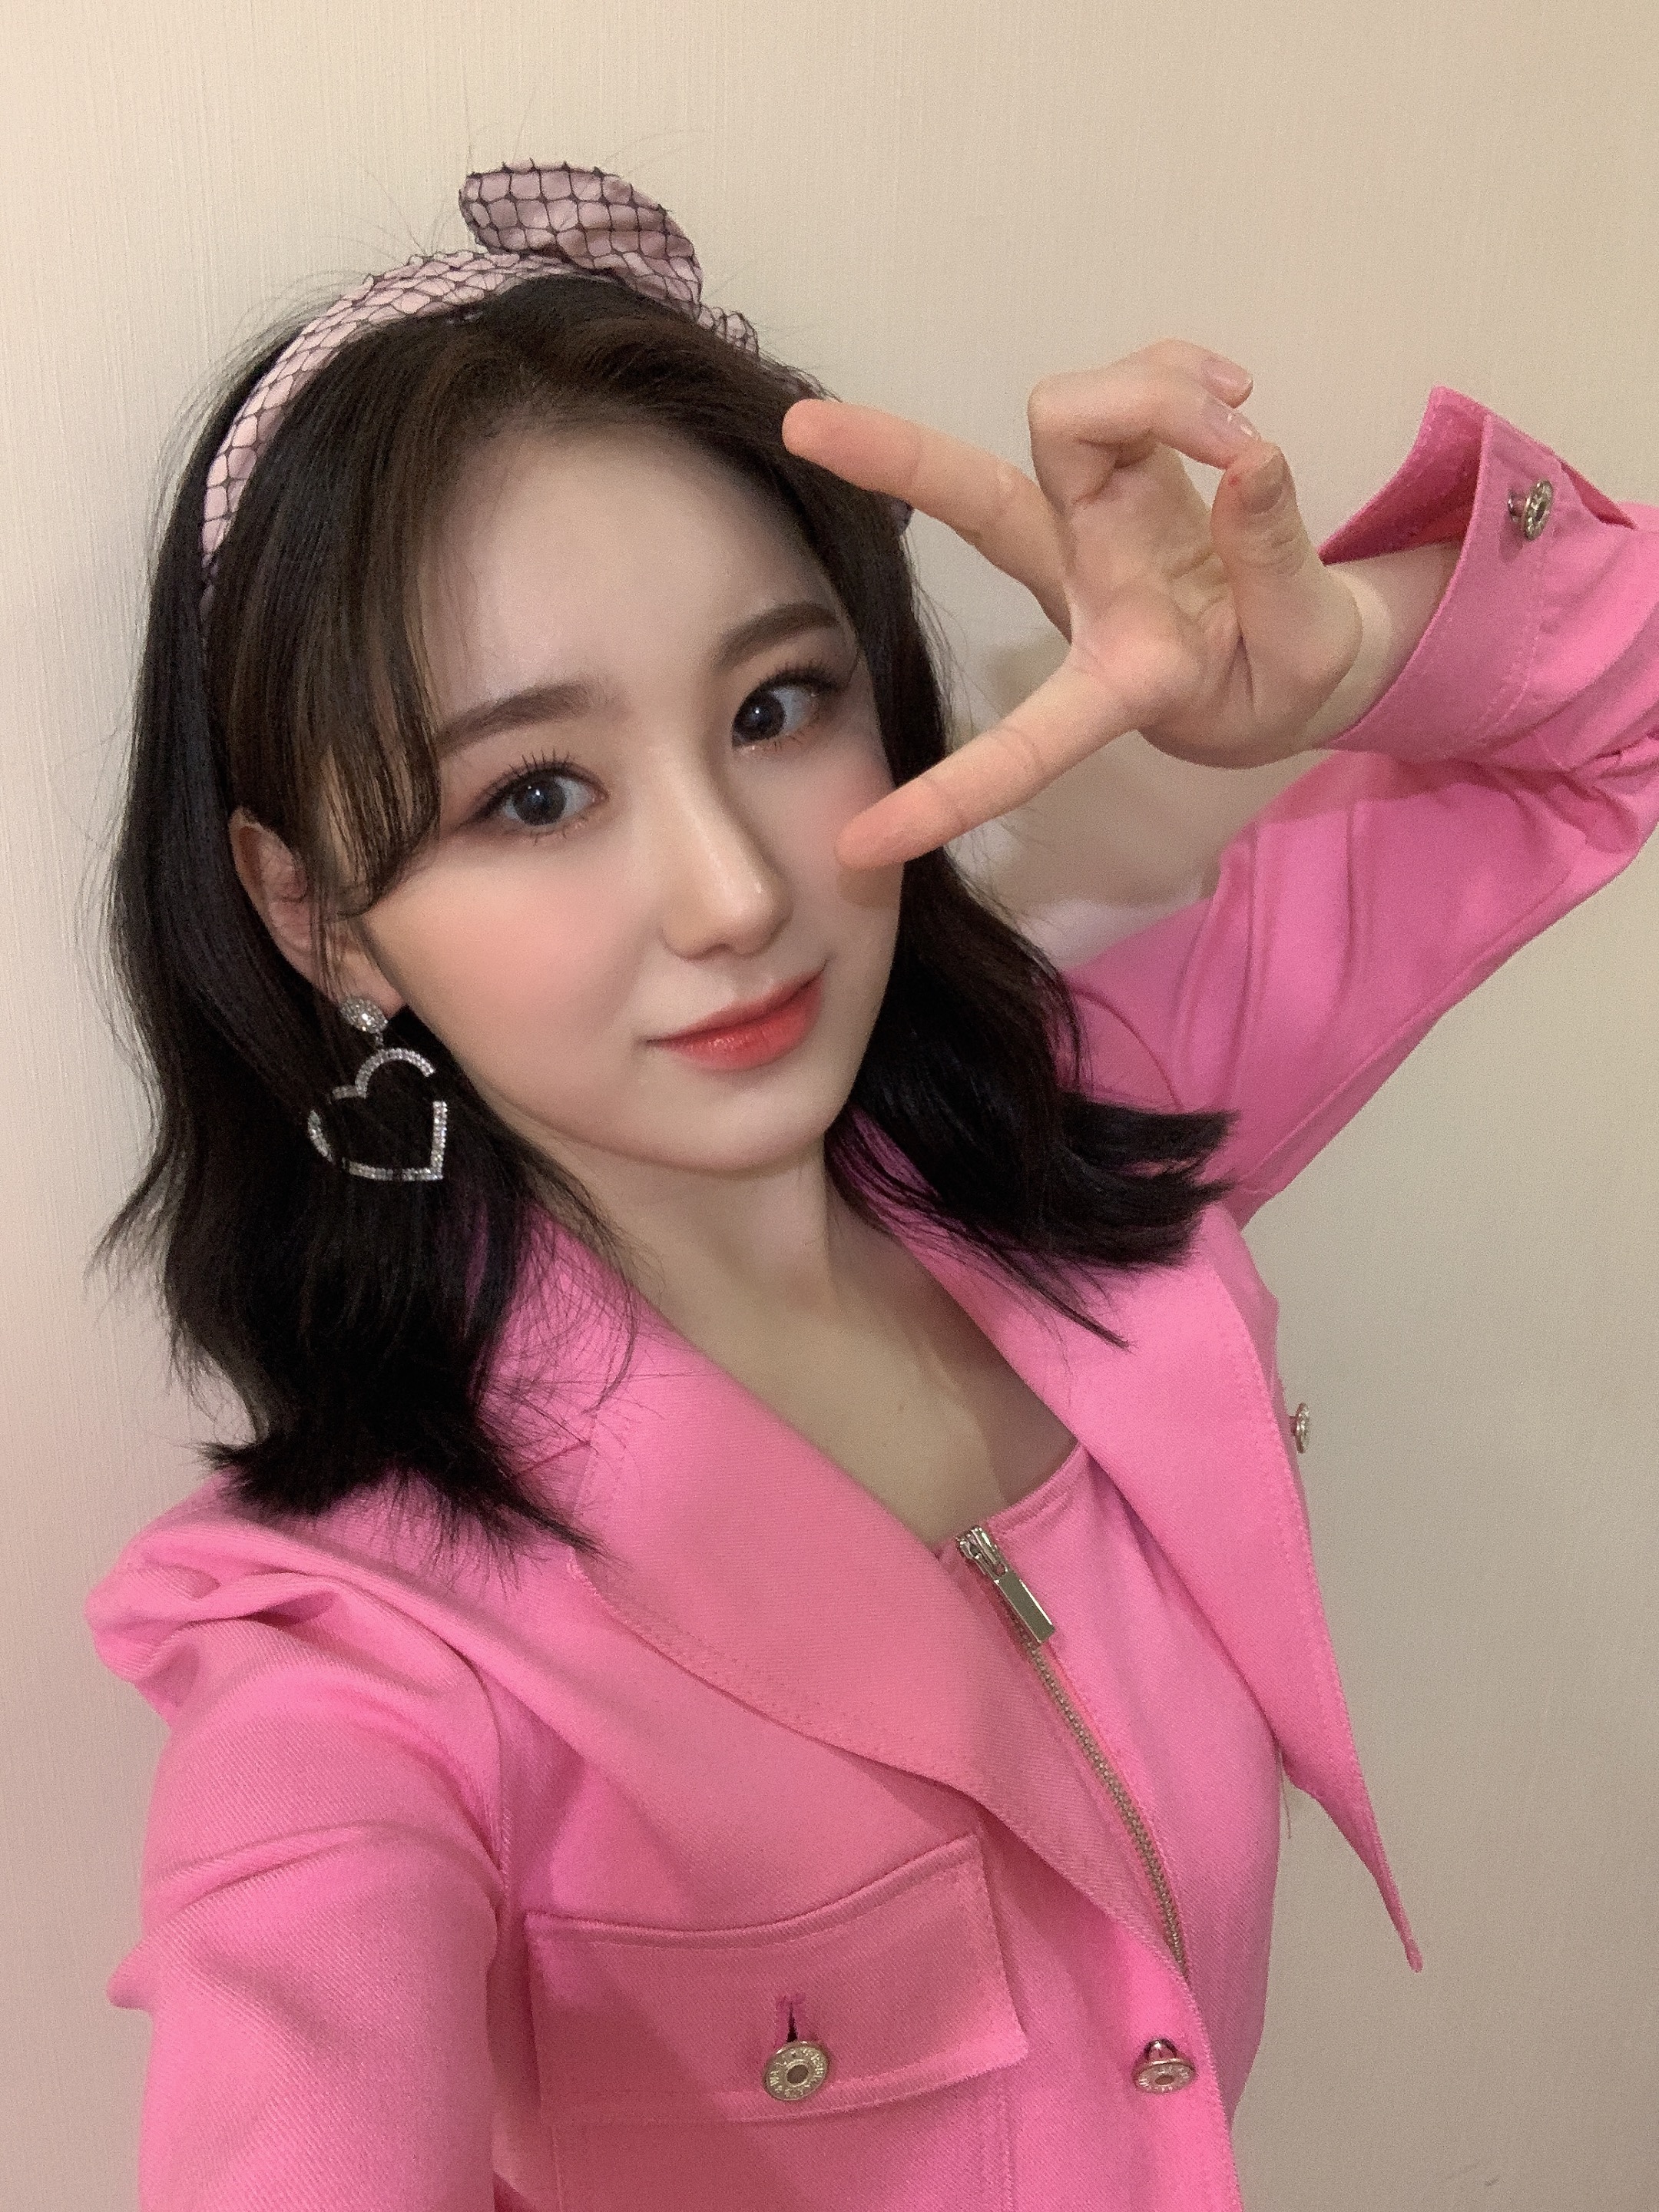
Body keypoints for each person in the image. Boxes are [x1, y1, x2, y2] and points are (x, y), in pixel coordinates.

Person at [84, 161, 1658, 2212]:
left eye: (775, 707)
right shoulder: (368, 1651)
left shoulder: (1087, 1126)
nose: (736, 893)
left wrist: (1327, 652)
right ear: (320, 917)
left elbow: (1610, 732)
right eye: (535, 794)